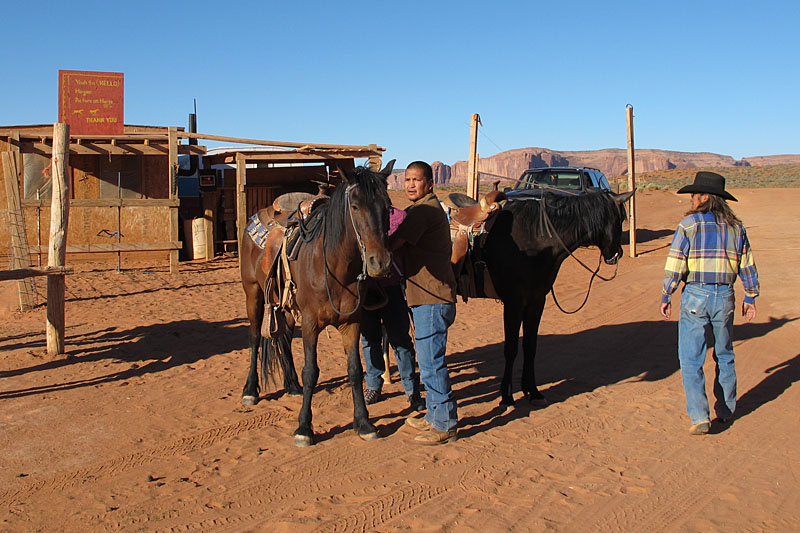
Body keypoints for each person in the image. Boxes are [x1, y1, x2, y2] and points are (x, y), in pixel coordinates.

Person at [660, 171, 759, 435]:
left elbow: (675, 264)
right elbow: (747, 265)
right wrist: (750, 296)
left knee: (691, 358)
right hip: (725, 296)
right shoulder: (737, 228)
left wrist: (667, 293)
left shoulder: (689, 226)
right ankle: (725, 411)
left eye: (695, 194)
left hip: (695, 295)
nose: (691, 199)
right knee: (724, 354)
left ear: (706, 197)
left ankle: (700, 417)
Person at [389, 161, 459, 445]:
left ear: (430, 183)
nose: (410, 184)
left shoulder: (424, 211)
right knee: (428, 360)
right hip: (427, 296)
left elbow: (393, 243)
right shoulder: (423, 208)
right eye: (407, 179)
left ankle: (444, 424)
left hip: (432, 298)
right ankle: (433, 416)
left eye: (416, 180)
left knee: (431, 362)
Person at [361, 205, 424, 412]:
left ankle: (411, 389)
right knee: (370, 340)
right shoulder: (359, 219)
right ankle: (373, 384)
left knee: (401, 340)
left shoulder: (399, 218)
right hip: (367, 289)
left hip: (393, 287)